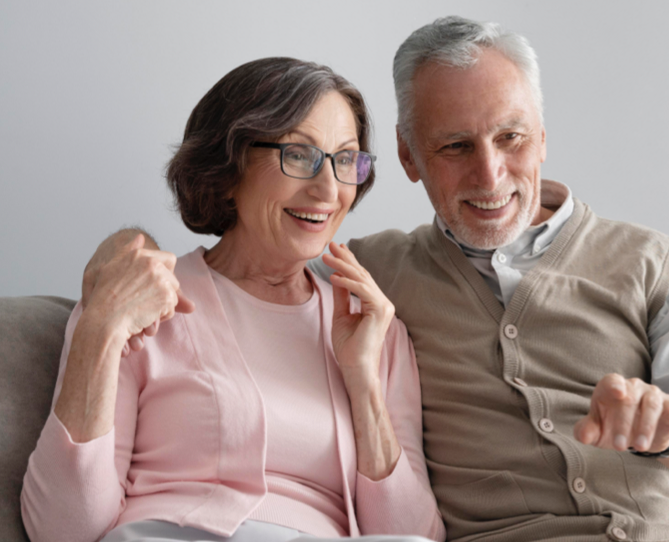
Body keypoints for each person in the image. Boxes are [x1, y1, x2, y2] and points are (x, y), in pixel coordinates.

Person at [83, 16, 669, 542]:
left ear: (543, 134)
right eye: (455, 147)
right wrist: (127, 249)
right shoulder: (367, 276)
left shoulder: (651, 262)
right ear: (410, 159)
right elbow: (254, 254)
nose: (490, 175)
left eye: (511, 138)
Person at [22, 57, 445, 542]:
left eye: (345, 159)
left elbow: (414, 535)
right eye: (299, 154)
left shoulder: (375, 328)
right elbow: (61, 530)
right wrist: (100, 330)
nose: (328, 188)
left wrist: (364, 383)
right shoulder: (140, 297)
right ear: (229, 167)